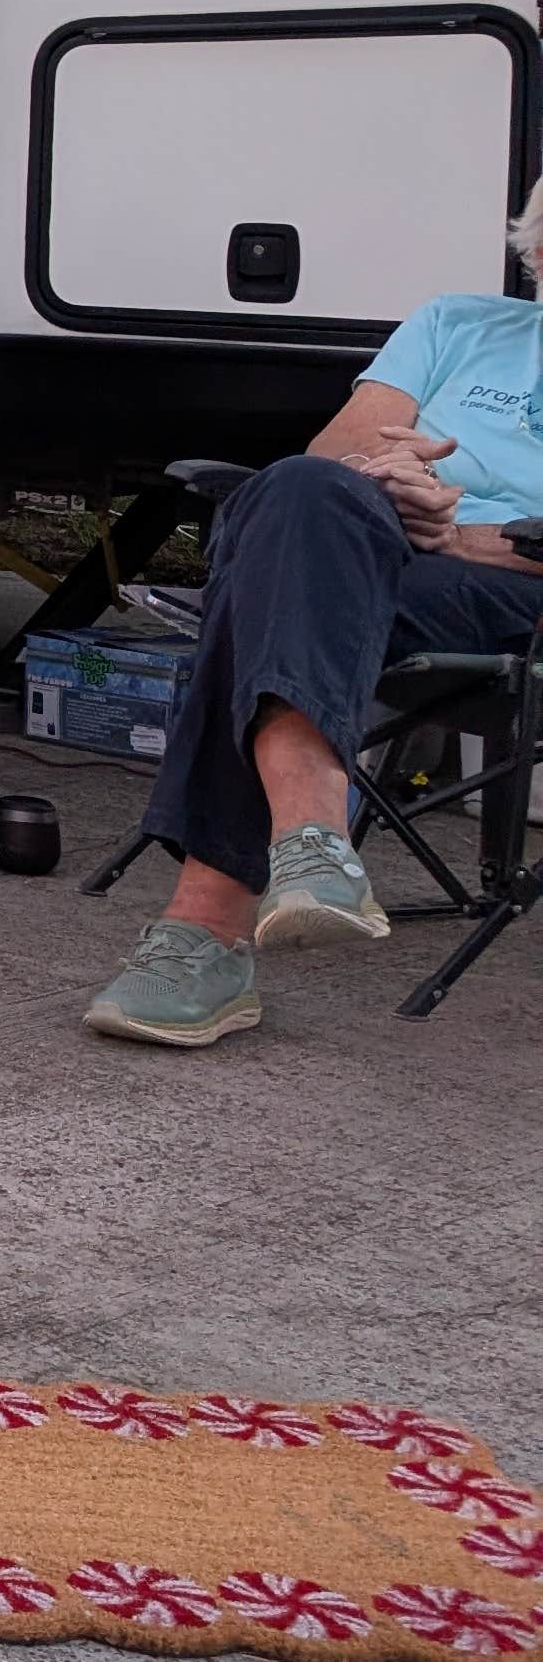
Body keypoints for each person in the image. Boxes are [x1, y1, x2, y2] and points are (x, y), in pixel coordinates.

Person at [81, 183, 543, 1047]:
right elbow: (338, 451)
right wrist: (396, 480)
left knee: (264, 597)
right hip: (376, 556)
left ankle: (209, 927)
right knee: (297, 490)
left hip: (516, 588)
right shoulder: (458, 324)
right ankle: (309, 845)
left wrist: (457, 529)